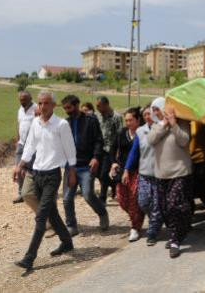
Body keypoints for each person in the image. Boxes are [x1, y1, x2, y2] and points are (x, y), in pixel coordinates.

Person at [13, 91, 77, 271]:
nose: (42, 107)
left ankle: (29, 258)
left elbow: (70, 150)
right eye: (40, 103)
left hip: (52, 176)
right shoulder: (35, 123)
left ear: (53, 105)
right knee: (52, 214)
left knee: (41, 217)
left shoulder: (61, 125)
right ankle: (67, 242)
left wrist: (71, 171)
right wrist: (20, 165)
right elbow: (30, 146)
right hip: (36, 173)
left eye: (46, 103)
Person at [148, 102, 193, 259]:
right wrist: (164, 124)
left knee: (174, 205)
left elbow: (184, 140)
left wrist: (174, 124)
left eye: (159, 109)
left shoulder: (183, 124)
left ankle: (174, 240)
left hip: (180, 171)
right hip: (161, 174)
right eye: (155, 110)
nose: (158, 112)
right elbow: (151, 140)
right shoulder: (156, 126)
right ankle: (179, 230)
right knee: (164, 208)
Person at [61, 95, 109, 236]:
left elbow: (99, 141)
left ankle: (102, 213)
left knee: (88, 195)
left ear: (77, 105)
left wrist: (96, 158)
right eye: (64, 108)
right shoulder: (65, 123)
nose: (67, 111)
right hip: (71, 167)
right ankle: (71, 226)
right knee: (67, 198)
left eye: (69, 107)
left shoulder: (91, 120)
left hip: (87, 165)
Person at [124, 102, 162, 246]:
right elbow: (134, 152)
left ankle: (152, 232)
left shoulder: (162, 128)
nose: (147, 116)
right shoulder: (140, 131)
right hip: (145, 173)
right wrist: (127, 169)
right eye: (145, 114)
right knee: (143, 201)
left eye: (150, 113)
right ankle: (155, 220)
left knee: (157, 203)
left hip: (159, 174)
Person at [111, 107, 144, 242]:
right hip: (123, 170)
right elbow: (113, 149)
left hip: (138, 170)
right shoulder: (121, 133)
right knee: (122, 199)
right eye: (126, 120)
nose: (128, 123)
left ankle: (135, 227)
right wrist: (113, 163)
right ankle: (138, 217)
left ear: (137, 120)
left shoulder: (143, 133)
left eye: (131, 120)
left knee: (134, 197)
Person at [96, 96, 123, 203]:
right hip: (99, 149)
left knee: (103, 174)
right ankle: (113, 184)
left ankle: (102, 198)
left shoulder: (116, 117)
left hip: (110, 150)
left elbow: (120, 134)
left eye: (99, 105)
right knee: (98, 173)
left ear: (106, 104)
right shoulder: (98, 116)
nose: (97, 107)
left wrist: (118, 151)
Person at [14, 91, 37, 204]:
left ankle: (35, 191)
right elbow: (19, 125)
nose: (22, 102)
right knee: (19, 169)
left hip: (33, 145)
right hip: (21, 144)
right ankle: (21, 193)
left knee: (32, 170)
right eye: (21, 100)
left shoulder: (36, 108)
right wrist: (17, 139)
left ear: (30, 98)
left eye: (24, 100)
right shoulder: (20, 110)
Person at [190, 120, 205, 220]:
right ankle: (189, 213)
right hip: (185, 160)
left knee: (202, 188)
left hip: (200, 159)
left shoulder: (199, 121)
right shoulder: (182, 121)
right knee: (188, 189)